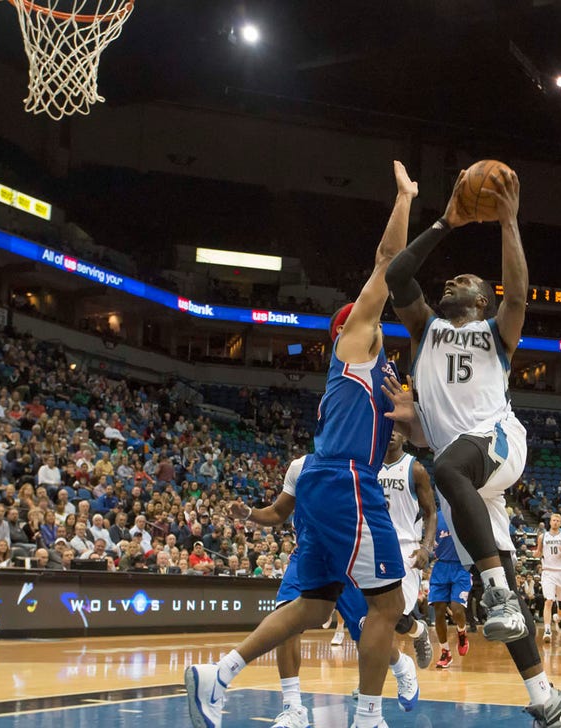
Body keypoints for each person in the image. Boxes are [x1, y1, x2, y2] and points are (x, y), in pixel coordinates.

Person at [187, 160, 417, 728]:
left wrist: (408, 418)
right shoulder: (357, 345)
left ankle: (218, 676)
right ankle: (367, 717)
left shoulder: (379, 374)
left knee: (313, 605)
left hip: (325, 480)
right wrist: (406, 199)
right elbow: (387, 262)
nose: (373, 310)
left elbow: (415, 437)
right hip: (345, 482)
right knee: (387, 606)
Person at [383, 166, 561, 725]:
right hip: (463, 478)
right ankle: (546, 698)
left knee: (446, 468)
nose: (450, 282)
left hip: (496, 445)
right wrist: (445, 219)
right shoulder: (424, 330)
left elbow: (517, 289)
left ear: (483, 300)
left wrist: (508, 221)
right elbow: (398, 273)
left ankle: (493, 587)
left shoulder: (498, 331)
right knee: (508, 595)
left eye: (463, 280)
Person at [229, 455, 420, 728]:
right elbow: (277, 512)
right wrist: (248, 513)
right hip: (310, 552)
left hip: (350, 554)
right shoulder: (299, 466)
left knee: (367, 630)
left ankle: (400, 666)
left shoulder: (359, 467)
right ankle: (293, 707)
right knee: (285, 617)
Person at [377, 431, 436, 669]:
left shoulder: (415, 469)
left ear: (405, 438)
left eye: (397, 429)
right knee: (372, 617)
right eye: (386, 427)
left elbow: (431, 512)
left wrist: (426, 548)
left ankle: (419, 630)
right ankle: (370, 681)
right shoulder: (369, 466)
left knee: (398, 618)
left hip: (406, 549)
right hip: (375, 548)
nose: (390, 433)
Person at [428, 509, 472, 669]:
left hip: (461, 568)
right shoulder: (435, 516)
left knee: (457, 609)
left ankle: (462, 632)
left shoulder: (466, 512)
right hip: (441, 566)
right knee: (438, 611)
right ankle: (445, 652)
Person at [535, 513, 561, 643]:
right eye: (553, 520)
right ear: (550, 522)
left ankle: (558, 618)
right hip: (547, 572)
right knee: (548, 600)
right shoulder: (542, 537)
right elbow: (538, 552)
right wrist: (536, 553)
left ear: (560, 523)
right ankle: (547, 630)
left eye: (557, 520)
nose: (555, 522)